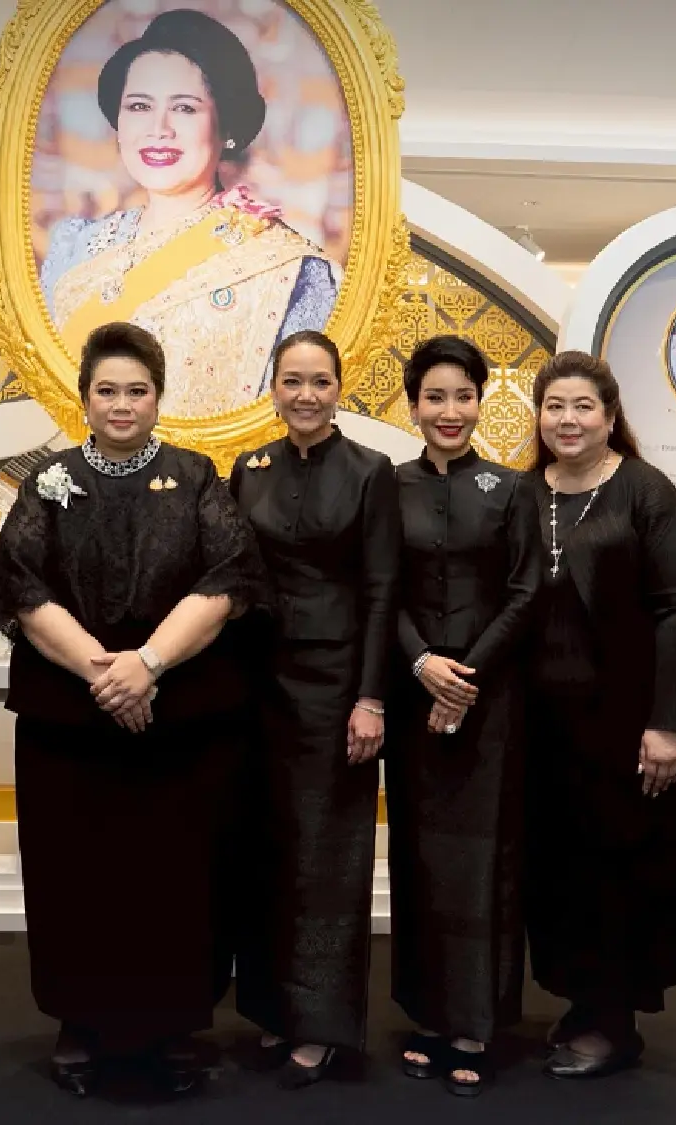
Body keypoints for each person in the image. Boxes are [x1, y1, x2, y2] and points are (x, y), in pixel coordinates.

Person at [0, 320, 267, 1098]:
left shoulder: (197, 475)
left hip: (180, 721)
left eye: (136, 390)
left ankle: (173, 1024)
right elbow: (21, 587)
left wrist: (146, 665)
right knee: (78, 879)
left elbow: (229, 579)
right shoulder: (48, 480)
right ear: (82, 398)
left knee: (173, 880)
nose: (121, 403)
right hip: (69, 723)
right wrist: (103, 674)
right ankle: (82, 1022)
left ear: (157, 397)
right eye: (106, 390)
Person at [522, 350, 676, 1080]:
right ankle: (585, 1000)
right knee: (562, 873)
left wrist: (667, 722)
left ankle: (615, 1023)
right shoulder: (528, 492)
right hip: (549, 728)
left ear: (610, 417)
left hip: (630, 721)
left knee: (618, 873)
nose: (568, 419)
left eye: (584, 406)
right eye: (555, 406)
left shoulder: (645, 491)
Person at [225, 329, 398, 1089]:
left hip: (335, 690)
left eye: (319, 381)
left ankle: (323, 1025)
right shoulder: (249, 466)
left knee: (328, 858)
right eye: (291, 380)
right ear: (274, 386)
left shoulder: (371, 472)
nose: (304, 394)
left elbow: (383, 590)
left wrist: (370, 696)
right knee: (267, 852)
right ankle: (272, 1008)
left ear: (339, 386)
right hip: (258, 687)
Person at [40, 8, 338, 416]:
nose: (158, 129)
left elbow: (297, 414)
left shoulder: (286, 266)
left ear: (227, 126)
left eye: (184, 108)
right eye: (140, 106)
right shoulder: (75, 246)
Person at [385, 335, 536, 1098]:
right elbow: (380, 591)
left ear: (482, 401)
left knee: (484, 862)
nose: (450, 411)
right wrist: (421, 666)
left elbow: (524, 592)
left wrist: (464, 678)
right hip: (415, 697)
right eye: (435, 397)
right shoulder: (390, 485)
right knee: (420, 857)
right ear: (412, 404)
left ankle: (477, 1020)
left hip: (489, 698)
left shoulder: (511, 490)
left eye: (464, 396)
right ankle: (431, 1015)